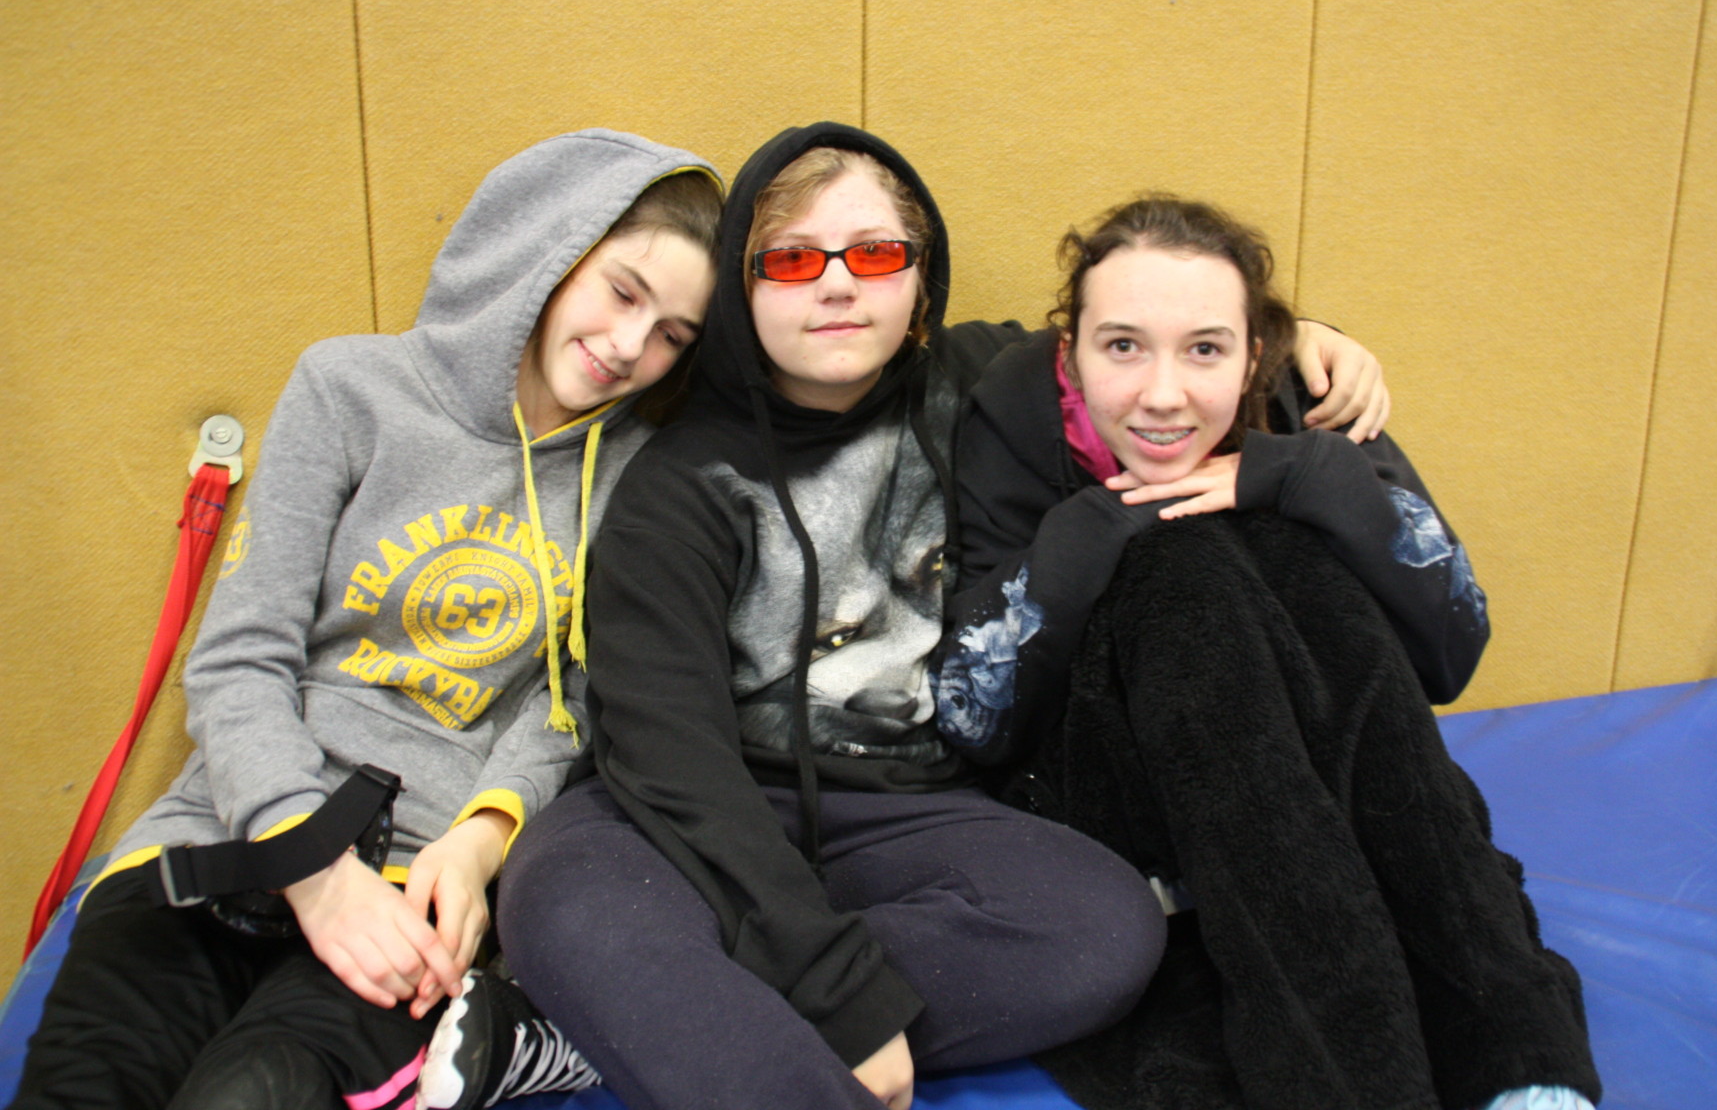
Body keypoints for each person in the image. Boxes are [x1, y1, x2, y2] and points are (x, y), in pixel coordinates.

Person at [465, 125, 1393, 1110]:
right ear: (744, 290)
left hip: (904, 811)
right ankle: (699, 1011)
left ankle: (637, 1022)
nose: (837, 284)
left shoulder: (988, 385)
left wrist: (1296, 338)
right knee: (561, 900)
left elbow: (1149, 337)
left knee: (1106, 930)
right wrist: (840, 996)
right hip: (688, 817)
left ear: (919, 275)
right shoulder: (678, 485)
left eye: (874, 253)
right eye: (792, 260)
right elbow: (669, 757)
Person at [9, 128, 722, 1110]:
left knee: (259, 1092)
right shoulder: (350, 390)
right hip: (231, 831)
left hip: (418, 875)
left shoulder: (638, 474)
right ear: (552, 256)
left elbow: (577, 702)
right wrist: (308, 864)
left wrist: (481, 843)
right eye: (623, 292)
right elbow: (237, 660)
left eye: (674, 334)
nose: (632, 347)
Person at [937, 196, 1601, 1110]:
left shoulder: (1301, 396)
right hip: (1115, 789)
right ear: (1072, 349)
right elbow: (976, 715)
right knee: (1180, 563)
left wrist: (1299, 473)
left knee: (1297, 555)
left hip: (1321, 774)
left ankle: (1524, 1065)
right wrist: (1109, 522)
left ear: (1253, 354)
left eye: (1204, 350)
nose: (1163, 393)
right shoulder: (1014, 406)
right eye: (1122, 346)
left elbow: (1450, 649)